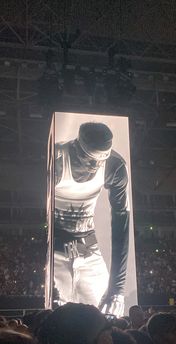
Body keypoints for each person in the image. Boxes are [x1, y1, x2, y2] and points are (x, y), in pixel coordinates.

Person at [54, 122, 130, 316]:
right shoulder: (56, 159)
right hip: (55, 247)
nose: (95, 167)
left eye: (100, 161)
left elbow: (121, 225)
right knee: (58, 320)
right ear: (76, 147)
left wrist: (117, 289)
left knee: (107, 316)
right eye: (89, 160)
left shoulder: (114, 165)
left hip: (85, 245)